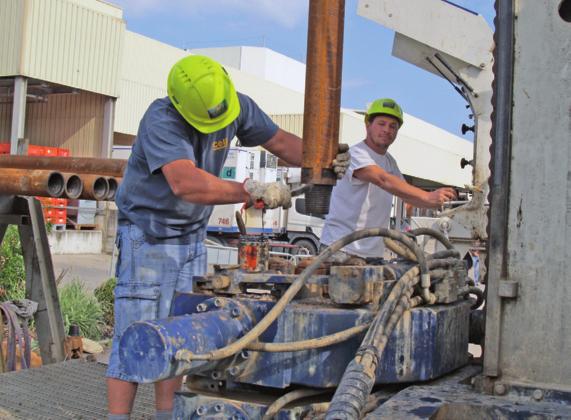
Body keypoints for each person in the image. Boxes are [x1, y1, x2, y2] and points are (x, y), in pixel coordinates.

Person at [106, 55, 349, 419]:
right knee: (136, 335)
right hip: (149, 235)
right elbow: (185, 182)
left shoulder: (235, 105)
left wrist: (324, 157)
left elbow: (281, 141)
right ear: (181, 105)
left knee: (180, 334)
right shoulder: (161, 119)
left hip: (190, 235)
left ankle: (165, 415)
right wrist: (249, 187)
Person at [320, 98, 457, 262]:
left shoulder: (389, 162)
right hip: (341, 249)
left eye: (393, 126)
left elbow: (406, 194)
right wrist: (428, 196)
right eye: (382, 123)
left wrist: (439, 202)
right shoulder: (355, 154)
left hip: (373, 254)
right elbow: (382, 179)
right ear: (368, 125)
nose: (387, 130)